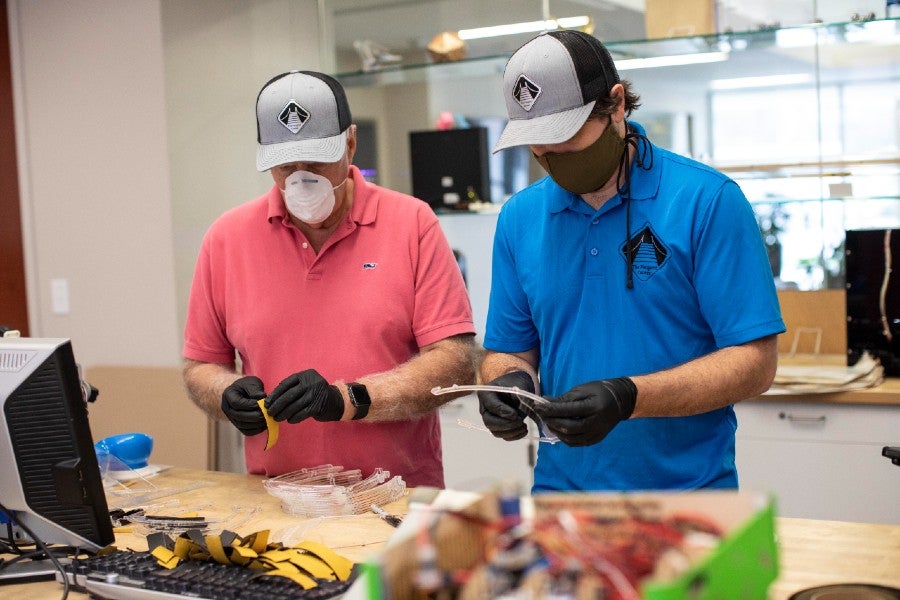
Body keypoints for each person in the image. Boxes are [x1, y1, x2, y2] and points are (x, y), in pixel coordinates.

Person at [478, 31, 785, 492]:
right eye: (537, 143)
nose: (553, 156)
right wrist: (507, 381)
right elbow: (508, 348)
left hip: (688, 495)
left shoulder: (707, 201)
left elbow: (755, 363)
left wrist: (630, 397)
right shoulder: (520, 219)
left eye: (566, 136)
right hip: (561, 494)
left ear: (616, 104)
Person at [182, 70, 476, 488]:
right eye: (286, 166)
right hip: (278, 496)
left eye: (317, 161)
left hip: (395, 494)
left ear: (350, 143)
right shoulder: (226, 238)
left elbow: (456, 364)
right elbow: (201, 366)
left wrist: (347, 399)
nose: (302, 179)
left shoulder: (412, 224)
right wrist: (224, 393)